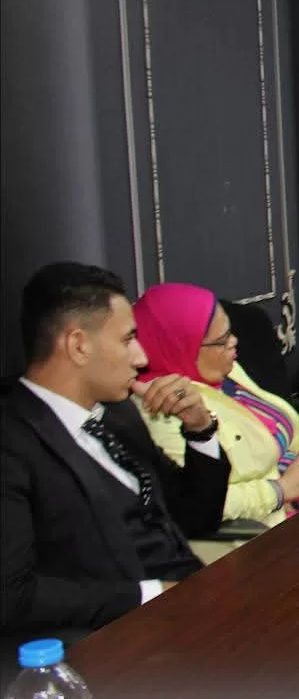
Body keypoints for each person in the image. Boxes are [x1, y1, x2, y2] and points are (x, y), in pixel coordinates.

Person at [1, 263, 230, 648]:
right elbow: (13, 595)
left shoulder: (119, 414)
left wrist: (199, 428)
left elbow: (196, 518)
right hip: (122, 645)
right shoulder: (12, 442)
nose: (141, 358)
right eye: (128, 339)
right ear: (78, 345)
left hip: (198, 611)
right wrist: (150, 594)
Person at [131, 283, 299, 541]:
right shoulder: (162, 409)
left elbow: (292, 428)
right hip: (264, 538)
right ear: (181, 345)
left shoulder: (226, 371)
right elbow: (202, 504)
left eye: (230, 332)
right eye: (222, 340)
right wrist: (282, 490)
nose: (234, 342)